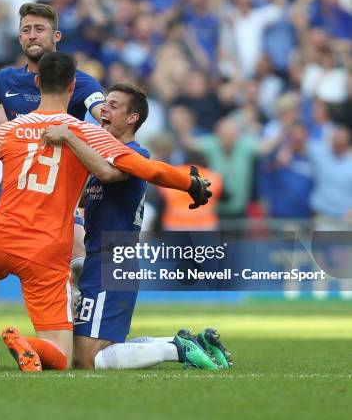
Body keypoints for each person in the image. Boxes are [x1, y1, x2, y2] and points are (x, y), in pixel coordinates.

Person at [0, 52, 212, 371]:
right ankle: (28, 345)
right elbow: (145, 168)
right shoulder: (89, 134)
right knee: (65, 356)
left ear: (38, 83)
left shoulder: (8, 130)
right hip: (45, 251)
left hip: (0, 235)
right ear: (73, 87)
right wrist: (189, 182)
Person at [0, 2, 106, 367]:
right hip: (14, 206)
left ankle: (82, 340)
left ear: (56, 36)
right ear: (19, 36)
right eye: (27, 29)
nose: (33, 35)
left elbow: (101, 111)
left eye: (40, 29)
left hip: (61, 207)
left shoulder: (77, 81)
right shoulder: (6, 81)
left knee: (79, 257)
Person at [41, 84, 229, 370]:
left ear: (132, 118)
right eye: (105, 103)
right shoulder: (102, 156)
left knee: (89, 359)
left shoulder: (132, 152)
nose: (104, 109)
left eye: (114, 105)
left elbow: (108, 173)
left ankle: (177, 351)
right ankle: (187, 343)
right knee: (96, 351)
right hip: (101, 259)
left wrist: (69, 136)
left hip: (113, 258)